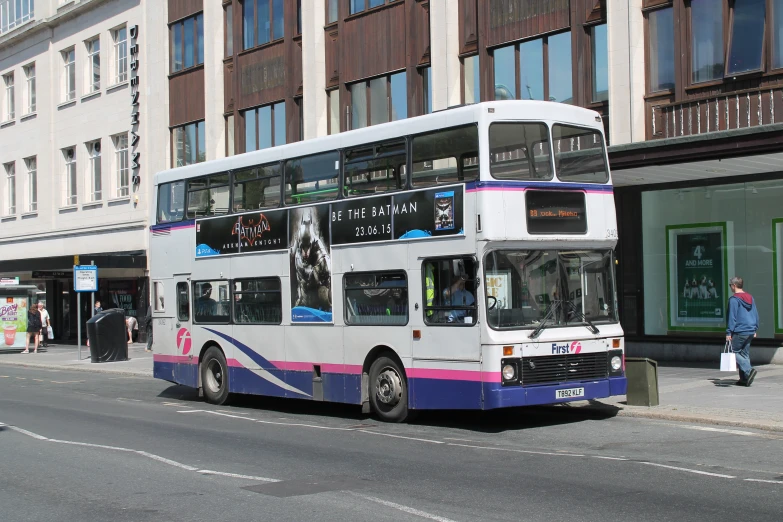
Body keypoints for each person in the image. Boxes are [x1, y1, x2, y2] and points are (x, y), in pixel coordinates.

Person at [726, 276, 759, 387]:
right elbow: (755, 314)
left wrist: (728, 332)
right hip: (750, 330)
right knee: (744, 355)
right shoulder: (750, 297)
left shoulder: (734, 300)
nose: (730, 287)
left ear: (734, 285)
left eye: (730, 285)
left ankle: (749, 371)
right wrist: (755, 328)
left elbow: (732, 317)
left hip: (739, 330)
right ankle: (744, 379)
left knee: (733, 352)